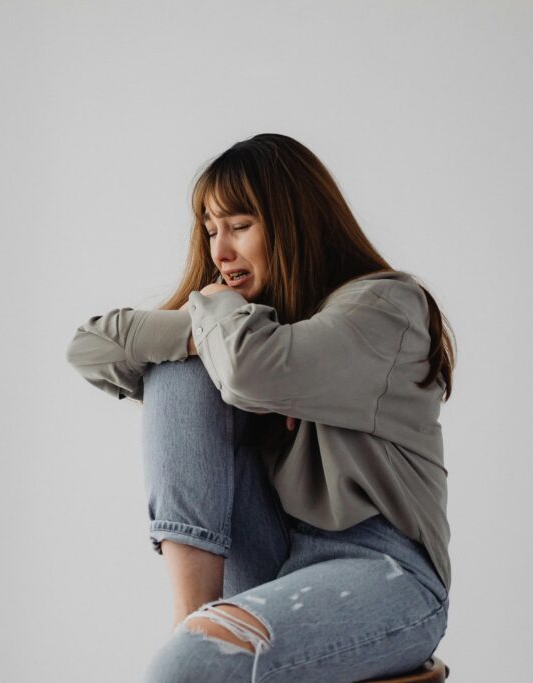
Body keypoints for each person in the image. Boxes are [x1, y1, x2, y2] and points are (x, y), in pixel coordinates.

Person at [64, 133, 456, 682]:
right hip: (272, 555)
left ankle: (192, 648)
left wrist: (219, 316)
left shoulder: (387, 306)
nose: (220, 253)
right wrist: (203, 333)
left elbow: (249, 369)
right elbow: (88, 347)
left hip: (386, 573)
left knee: (189, 665)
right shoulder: (250, 329)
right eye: (211, 231)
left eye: (240, 226)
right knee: (180, 370)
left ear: (294, 222)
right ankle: (191, 616)